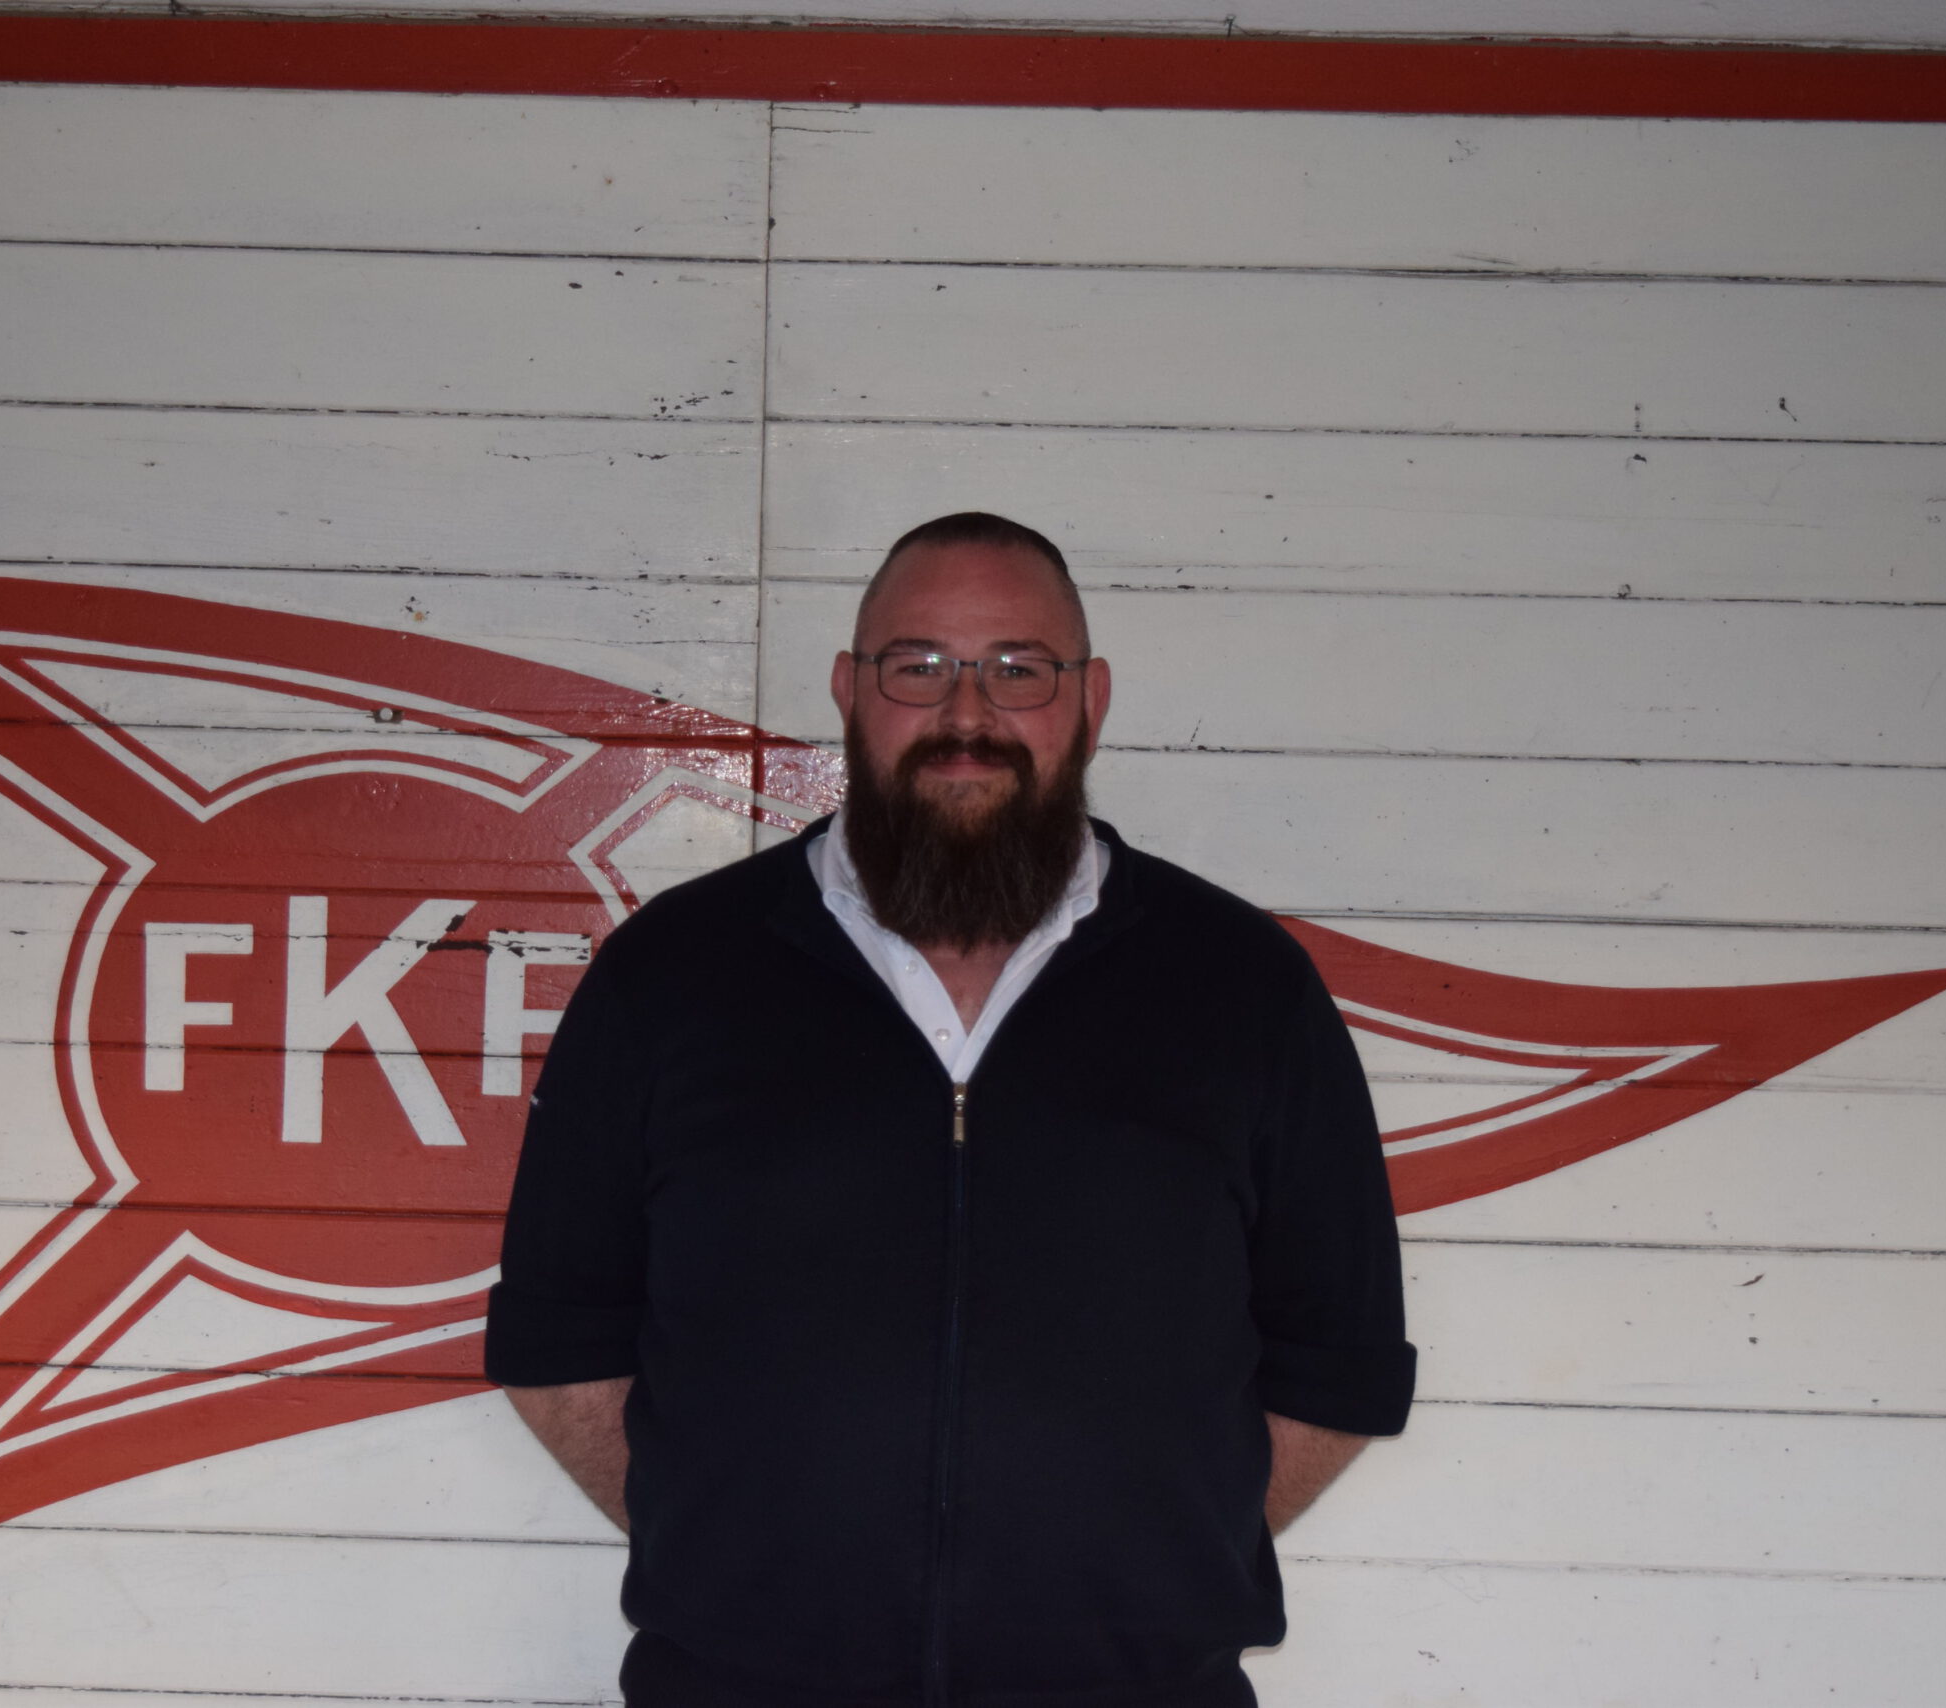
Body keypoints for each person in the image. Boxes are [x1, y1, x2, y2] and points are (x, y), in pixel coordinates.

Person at [485, 512, 1413, 1707]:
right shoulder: (671, 976)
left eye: (1019, 668)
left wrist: (1149, 1574)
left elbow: (1338, 1366)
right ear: (848, 689)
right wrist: (737, 1561)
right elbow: (558, 1343)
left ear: (1090, 700)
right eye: (916, 665)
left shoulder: (1241, 988)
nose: (966, 713)